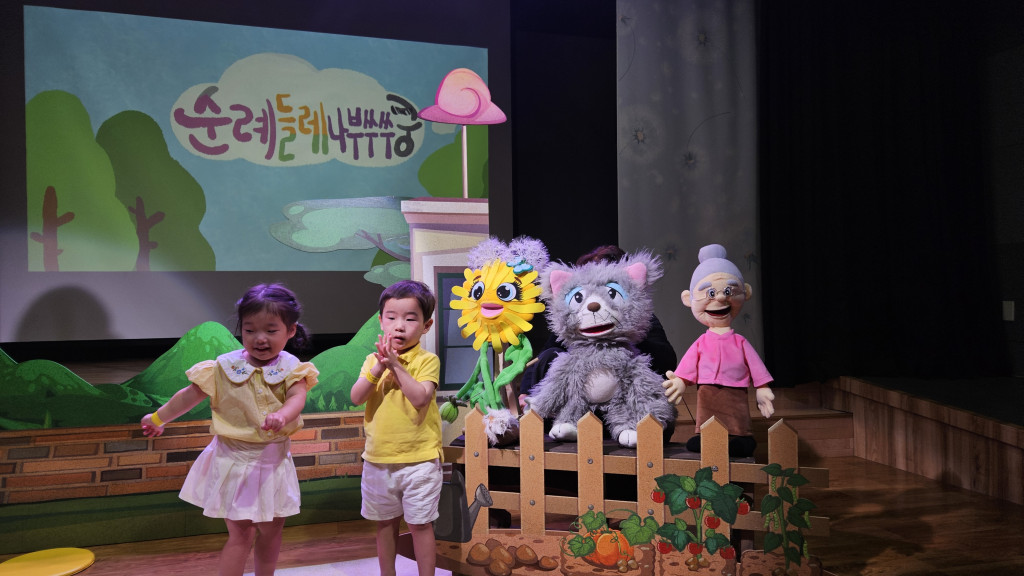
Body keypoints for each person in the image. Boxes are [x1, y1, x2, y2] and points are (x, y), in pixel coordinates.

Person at [141, 283, 318, 576]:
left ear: (290, 331)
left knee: (272, 530)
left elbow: (297, 398)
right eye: (250, 330)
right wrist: (158, 418)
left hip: (273, 462)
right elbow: (188, 396)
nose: (260, 338)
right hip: (233, 461)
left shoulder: (293, 367)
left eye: (271, 330)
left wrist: (282, 415)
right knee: (241, 533)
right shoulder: (223, 367)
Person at [349, 280, 442, 576]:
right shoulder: (371, 361)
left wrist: (396, 366)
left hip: (420, 460)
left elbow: (420, 398)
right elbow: (356, 397)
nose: (399, 326)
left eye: (410, 319)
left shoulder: (427, 361)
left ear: (426, 326)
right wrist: (379, 366)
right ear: (381, 321)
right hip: (378, 460)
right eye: (391, 317)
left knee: (420, 525)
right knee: (385, 525)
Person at [519, 244, 678, 411]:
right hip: (579, 398)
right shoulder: (576, 318)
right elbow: (546, 354)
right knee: (552, 356)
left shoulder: (639, 319)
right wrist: (525, 389)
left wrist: (624, 344)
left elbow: (666, 359)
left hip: (623, 399)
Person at [665, 244, 775, 458]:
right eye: (711, 293)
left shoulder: (740, 342)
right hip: (707, 388)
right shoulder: (701, 342)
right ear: (689, 299)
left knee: (737, 416)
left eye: (728, 291)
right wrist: (680, 381)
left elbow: (755, 364)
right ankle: (706, 436)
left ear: (745, 292)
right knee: (708, 416)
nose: (721, 299)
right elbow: (689, 363)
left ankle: (741, 438)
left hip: (736, 389)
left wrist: (762, 387)